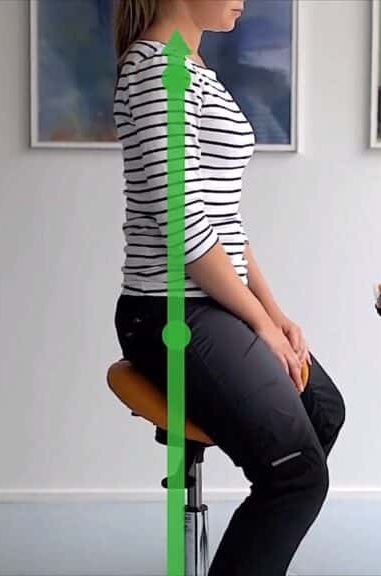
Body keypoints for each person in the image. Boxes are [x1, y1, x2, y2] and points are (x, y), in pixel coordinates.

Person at [110, 1, 345, 573]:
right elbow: (186, 228)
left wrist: (275, 313)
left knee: (323, 411)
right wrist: (260, 326)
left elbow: (225, 225)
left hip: (215, 305)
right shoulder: (153, 70)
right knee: (295, 475)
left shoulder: (192, 69)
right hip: (169, 315)